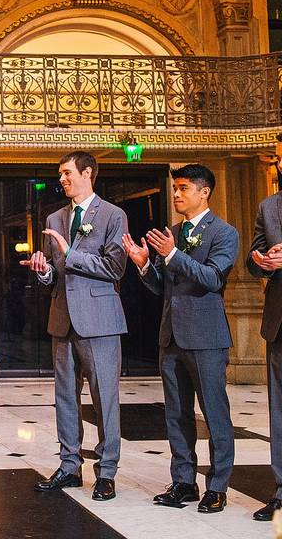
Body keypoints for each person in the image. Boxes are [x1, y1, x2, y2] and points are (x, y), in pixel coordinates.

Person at [124, 164, 237, 514]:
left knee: (214, 414)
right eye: (175, 188)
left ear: (204, 192)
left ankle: (217, 486)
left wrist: (173, 255)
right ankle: (183, 482)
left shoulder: (224, 233)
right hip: (170, 335)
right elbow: (163, 286)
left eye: (183, 188)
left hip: (206, 337)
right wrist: (144, 265)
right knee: (176, 414)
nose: (176, 194)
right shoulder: (172, 231)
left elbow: (213, 278)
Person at [22, 151, 127, 502]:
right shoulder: (54, 217)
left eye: (68, 173)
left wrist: (71, 254)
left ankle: (107, 472)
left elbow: (115, 268)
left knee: (104, 399)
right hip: (62, 319)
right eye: (61, 174)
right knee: (64, 398)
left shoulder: (114, 215)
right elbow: (55, 273)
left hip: (100, 322)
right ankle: (69, 466)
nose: (63, 179)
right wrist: (44, 269)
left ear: (88, 173)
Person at [247, 169, 282, 521]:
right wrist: (261, 263)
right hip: (278, 322)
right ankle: (281, 491)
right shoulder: (269, 207)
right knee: (279, 414)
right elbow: (253, 255)